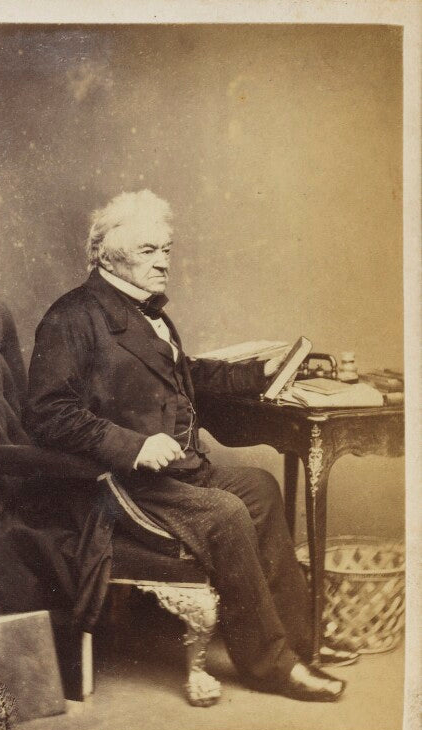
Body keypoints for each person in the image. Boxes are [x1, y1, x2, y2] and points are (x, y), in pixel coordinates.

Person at [25, 190, 357, 703]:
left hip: (174, 472)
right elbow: (47, 413)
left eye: (166, 249)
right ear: (107, 255)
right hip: (116, 484)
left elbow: (187, 373)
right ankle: (270, 665)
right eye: (148, 250)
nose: (163, 262)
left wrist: (259, 373)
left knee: (260, 487)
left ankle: (301, 639)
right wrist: (132, 445)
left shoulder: (143, 310)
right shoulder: (71, 316)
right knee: (226, 512)